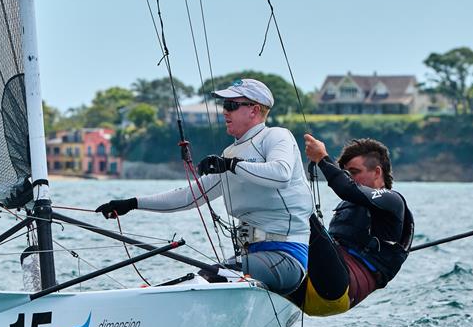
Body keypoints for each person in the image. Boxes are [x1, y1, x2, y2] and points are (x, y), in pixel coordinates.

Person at [95, 78, 314, 296]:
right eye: (223, 106)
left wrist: (230, 165)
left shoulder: (276, 136)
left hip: (287, 257)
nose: (224, 112)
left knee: (210, 276)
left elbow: (281, 173)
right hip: (252, 258)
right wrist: (132, 203)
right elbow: (190, 197)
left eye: (231, 106)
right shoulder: (230, 155)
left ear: (254, 110)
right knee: (202, 277)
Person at [287, 134, 414, 316]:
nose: (349, 178)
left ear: (377, 172)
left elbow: (346, 189)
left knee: (299, 206)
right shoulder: (348, 207)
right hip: (307, 288)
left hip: (337, 290)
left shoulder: (391, 201)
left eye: (354, 172)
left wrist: (322, 158)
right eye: (346, 173)